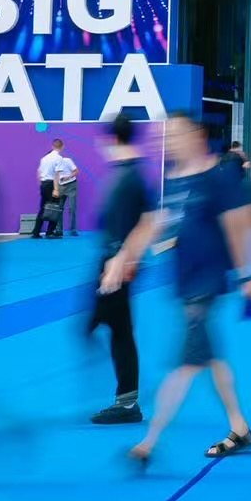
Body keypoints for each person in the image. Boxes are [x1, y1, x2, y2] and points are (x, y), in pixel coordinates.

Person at [111, 110, 251, 469]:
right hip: (185, 279)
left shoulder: (218, 176)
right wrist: (125, 256)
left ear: (196, 136)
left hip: (206, 281)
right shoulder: (173, 178)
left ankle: (148, 443)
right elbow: (159, 225)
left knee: (185, 363)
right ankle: (239, 428)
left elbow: (241, 224)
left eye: (175, 134)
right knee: (211, 357)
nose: (168, 142)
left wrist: (249, 275)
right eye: (164, 136)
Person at [89, 112, 159, 426]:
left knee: (110, 330)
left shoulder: (128, 178)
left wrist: (123, 261)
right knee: (118, 330)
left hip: (115, 265)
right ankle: (127, 399)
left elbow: (143, 223)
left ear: (111, 139)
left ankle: (127, 402)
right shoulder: (128, 174)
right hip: (115, 263)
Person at [32, 138, 74, 238]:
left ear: (52, 146)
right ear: (62, 147)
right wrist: (56, 189)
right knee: (55, 209)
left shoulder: (44, 158)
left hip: (44, 184)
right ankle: (50, 232)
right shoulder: (59, 158)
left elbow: (39, 173)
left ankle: (36, 232)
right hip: (52, 184)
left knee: (42, 208)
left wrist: (41, 185)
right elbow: (56, 174)